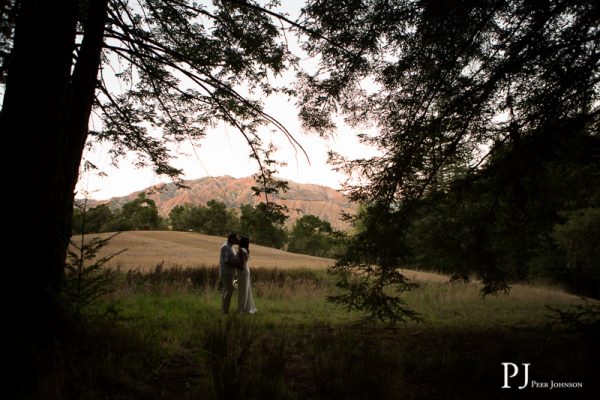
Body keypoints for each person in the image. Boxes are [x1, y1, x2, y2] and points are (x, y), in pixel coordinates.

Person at [219, 232, 242, 314]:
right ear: (232, 239)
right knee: (229, 290)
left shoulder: (231, 247)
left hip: (230, 273)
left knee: (226, 290)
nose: (237, 239)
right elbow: (226, 261)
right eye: (236, 238)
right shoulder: (225, 247)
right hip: (226, 272)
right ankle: (225, 311)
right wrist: (237, 265)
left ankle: (223, 309)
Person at [236, 236, 257, 314]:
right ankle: (245, 308)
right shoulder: (246, 250)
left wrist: (234, 265)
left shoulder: (241, 250)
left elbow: (241, 263)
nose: (238, 240)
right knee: (246, 290)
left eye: (240, 240)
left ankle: (241, 309)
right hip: (246, 271)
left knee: (242, 290)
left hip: (242, 271)